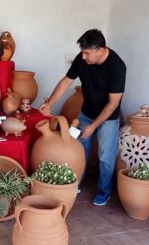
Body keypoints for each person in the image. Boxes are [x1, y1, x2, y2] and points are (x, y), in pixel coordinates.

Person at [39, 29, 126, 206]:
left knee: (105, 156)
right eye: (82, 52)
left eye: (87, 53)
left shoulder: (117, 66)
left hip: (108, 117)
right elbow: (66, 81)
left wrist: (94, 125)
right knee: (79, 149)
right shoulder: (82, 58)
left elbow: (113, 103)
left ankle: (104, 191)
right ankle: (75, 183)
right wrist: (50, 103)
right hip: (86, 112)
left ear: (101, 50)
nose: (83, 57)